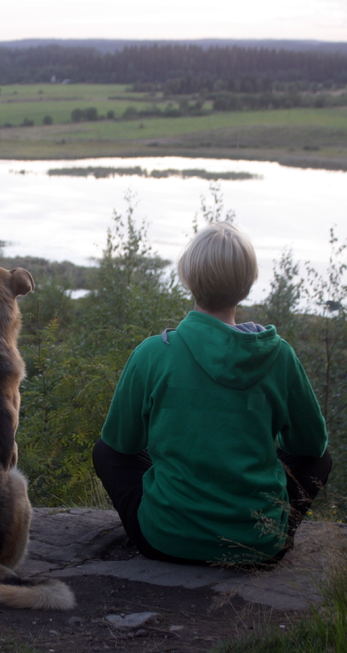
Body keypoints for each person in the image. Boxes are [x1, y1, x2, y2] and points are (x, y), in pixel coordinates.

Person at [92, 221, 331, 566]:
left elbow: (120, 443)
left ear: (188, 278)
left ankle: (177, 520)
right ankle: (271, 531)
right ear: (247, 284)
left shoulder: (153, 353)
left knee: (106, 451)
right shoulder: (280, 357)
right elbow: (311, 447)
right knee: (320, 458)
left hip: (164, 540)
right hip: (258, 545)